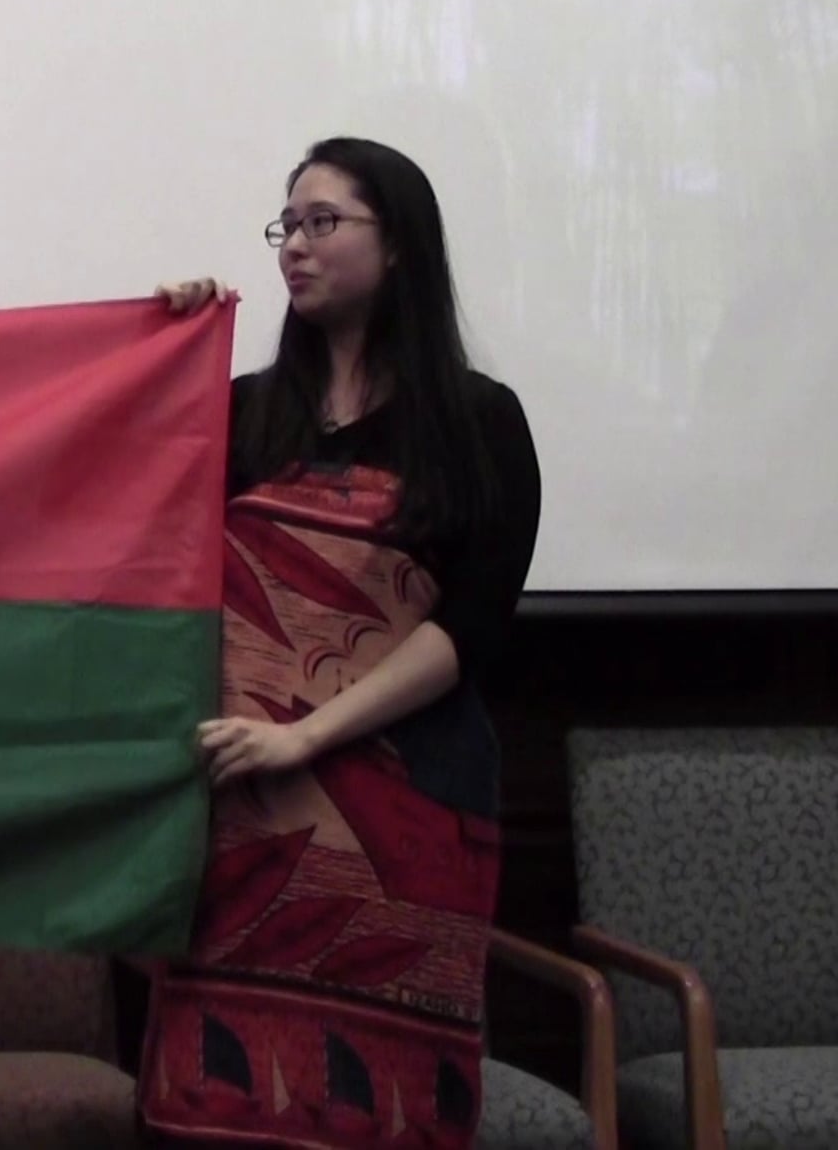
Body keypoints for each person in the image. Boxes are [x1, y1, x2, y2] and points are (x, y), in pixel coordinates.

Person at [136, 138, 541, 1147]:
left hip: (402, 833)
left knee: (381, 1117)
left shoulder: (481, 423)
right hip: (245, 823)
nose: (295, 246)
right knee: (211, 1108)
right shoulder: (242, 412)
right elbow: (126, 516)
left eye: (324, 223)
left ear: (397, 244)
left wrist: (305, 736)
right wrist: (166, 353)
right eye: (288, 225)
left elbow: (470, 628)